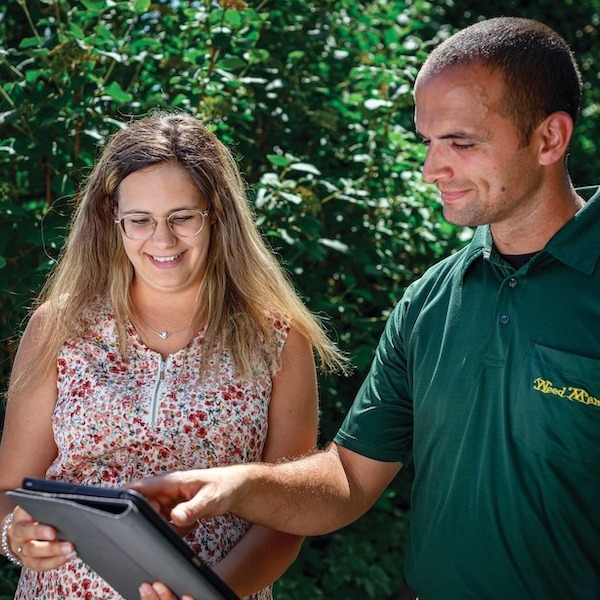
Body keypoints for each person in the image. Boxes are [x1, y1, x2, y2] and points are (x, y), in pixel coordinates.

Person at [129, 17, 600, 600]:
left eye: (461, 142)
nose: (432, 169)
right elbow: (350, 478)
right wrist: (236, 485)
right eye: (428, 141)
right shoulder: (430, 301)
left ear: (550, 139)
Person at [0, 112, 348, 599]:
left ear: (217, 214)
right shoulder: (58, 328)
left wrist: (208, 593)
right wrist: (15, 536)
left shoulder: (279, 339)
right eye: (139, 221)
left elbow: (286, 516)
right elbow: (11, 491)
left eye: (182, 217)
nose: (162, 241)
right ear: (112, 219)